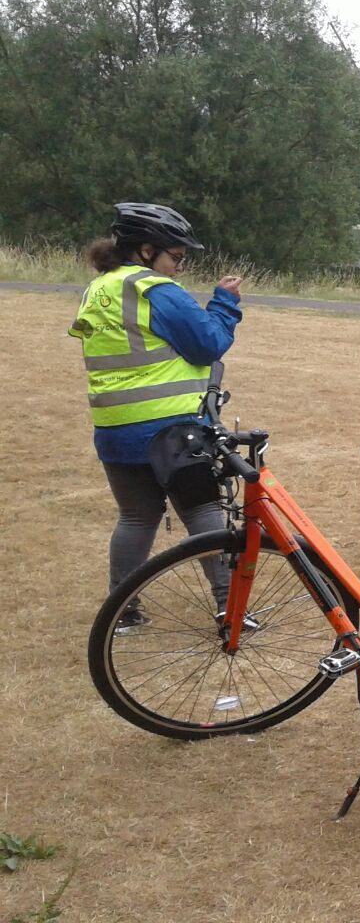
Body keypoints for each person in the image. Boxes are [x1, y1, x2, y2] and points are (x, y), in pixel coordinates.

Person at [70, 203, 243, 629]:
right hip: (172, 428)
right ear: (147, 251)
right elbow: (208, 343)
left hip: (115, 428)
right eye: (176, 257)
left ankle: (122, 615)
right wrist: (225, 302)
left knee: (136, 517)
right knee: (203, 511)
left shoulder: (100, 289)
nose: (179, 268)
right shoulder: (154, 289)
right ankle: (230, 608)